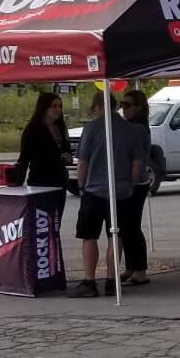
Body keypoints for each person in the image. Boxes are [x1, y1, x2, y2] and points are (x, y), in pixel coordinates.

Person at [71, 88, 147, 298]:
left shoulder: (91, 129)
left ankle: (89, 281)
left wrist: (81, 184)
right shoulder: (132, 130)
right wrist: (131, 185)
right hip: (121, 191)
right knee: (116, 236)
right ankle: (112, 281)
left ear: (98, 107)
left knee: (89, 237)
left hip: (94, 191)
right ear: (115, 106)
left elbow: (83, 162)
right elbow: (137, 163)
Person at [114, 87, 152, 288]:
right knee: (126, 227)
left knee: (131, 226)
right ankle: (131, 268)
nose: (123, 109)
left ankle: (140, 271)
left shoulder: (137, 127)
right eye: (121, 105)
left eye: (127, 105)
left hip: (136, 182)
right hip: (131, 180)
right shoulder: (134, 125)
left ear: (138, 107)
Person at [12, 91, 73, 193]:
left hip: (60, 182)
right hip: (40, 182)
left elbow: (67, 151)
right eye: (54, 106)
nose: (58, 109)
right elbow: (24, 159)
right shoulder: (32, 130)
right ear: (44, 108)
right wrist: (17, 184)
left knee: (58, 209)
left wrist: (68, 158)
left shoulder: (61, 128)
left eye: (60, 106)